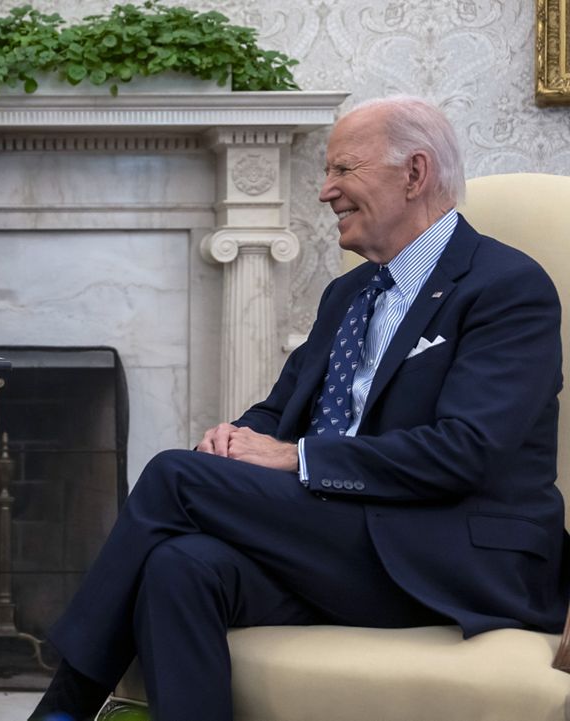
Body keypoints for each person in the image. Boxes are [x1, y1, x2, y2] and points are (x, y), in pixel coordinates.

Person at [31, 95, 569, 721]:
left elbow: (465, 452)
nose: (325, 191)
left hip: (457, 555)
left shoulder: (505, 286)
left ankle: (63, 708)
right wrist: (237, 440)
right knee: (179, 566)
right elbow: (280, 409)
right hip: (347, 542)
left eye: (343, 169)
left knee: (173, 477)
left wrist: (295, 458)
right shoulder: (348, 294)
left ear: (415, 174)